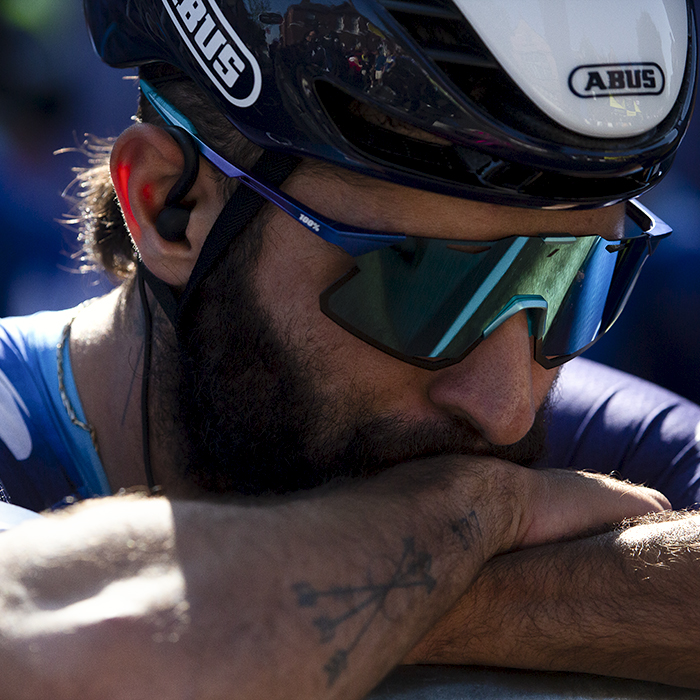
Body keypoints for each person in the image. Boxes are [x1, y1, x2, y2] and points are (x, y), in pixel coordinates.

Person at [0, 0, 699, 697]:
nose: (508, 408)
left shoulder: (588, 431)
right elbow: (36, 639)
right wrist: (487, 517)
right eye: (421, 288)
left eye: (579, 282)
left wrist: (395, 588)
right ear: (168, 207)